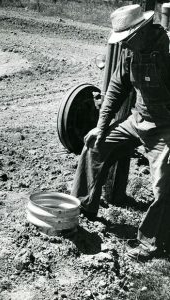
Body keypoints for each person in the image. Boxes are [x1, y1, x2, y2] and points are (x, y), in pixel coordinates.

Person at [71, 4, 170, 261]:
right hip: (137, 121)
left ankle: (149, 244)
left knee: (165, 183)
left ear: (141, 31)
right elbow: (115, 90)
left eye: (127, 39)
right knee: (95, 145)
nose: (123, 45)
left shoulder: (167, 50)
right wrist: (101, 127)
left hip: (165, 129)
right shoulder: (129, 53)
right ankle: (83, 206)